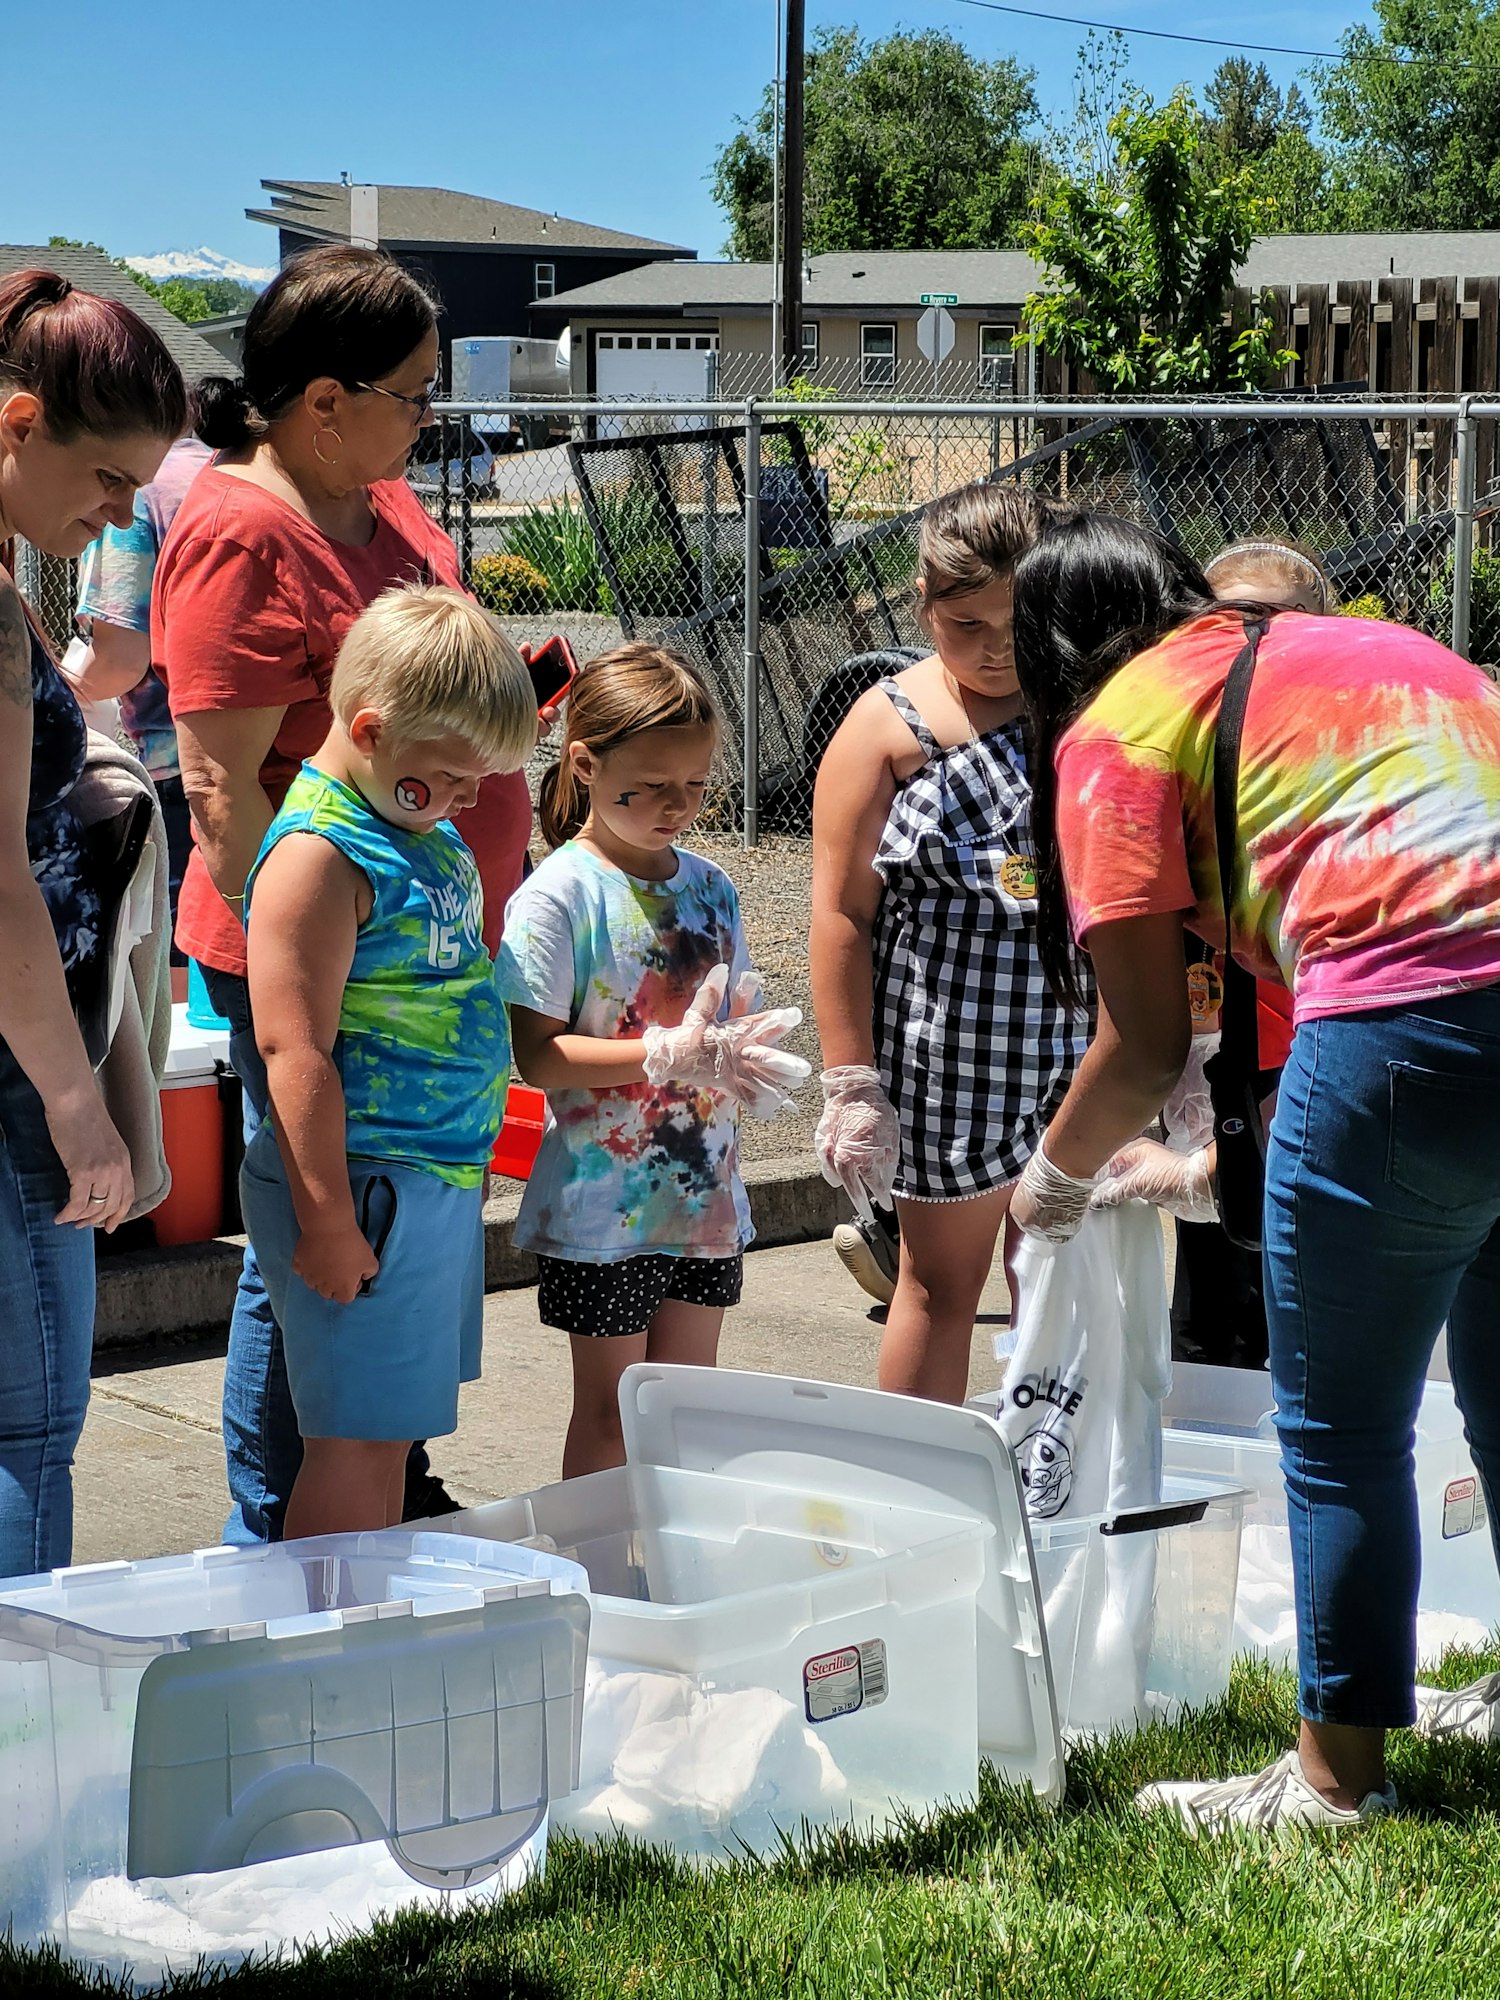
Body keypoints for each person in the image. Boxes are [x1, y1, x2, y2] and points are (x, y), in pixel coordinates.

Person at [1008, 509, 1500, 1829]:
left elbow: (1143, 1039)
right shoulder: (1370, 647)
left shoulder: (1118, 728)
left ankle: (1335, 1783)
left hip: (1404, 1026)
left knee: (1342, 1434)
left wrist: (1049, 1185)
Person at [153, 244, 533, 1542]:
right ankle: (285, 1530)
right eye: (414, 393)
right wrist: (315, 941)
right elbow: (223, 792)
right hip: (327, 974)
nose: (432, 418)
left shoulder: (381, 501)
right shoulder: (244, 530)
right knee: (310, 1259)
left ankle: (370, 1489)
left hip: (406, 976)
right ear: (325, 400)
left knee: (349, 1295)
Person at [240, 587, 536, 1535]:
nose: (468, 800)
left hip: (423, 1181)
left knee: (391, 1435)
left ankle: (361, 1635)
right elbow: (295, 1051)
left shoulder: (414, 827)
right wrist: (327, 1222)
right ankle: (328, 1643)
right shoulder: (321, 858)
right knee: (355, 1444)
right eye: (449, 777)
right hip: (365, 1187)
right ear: (370, 731)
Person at [497, 644, 810, 1477]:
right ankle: (600, 1580)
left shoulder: (710, 885)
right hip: (603, 1209)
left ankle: (667, 1574)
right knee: (611, 1417)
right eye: (655, 785)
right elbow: (538, 1055)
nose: (680, 805)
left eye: (698, 785)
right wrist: (663, 1053)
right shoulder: (558, 893)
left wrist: (739, 1054)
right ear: (586, 764)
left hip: (702, 1197)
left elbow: (724, 1009)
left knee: (683, 1413)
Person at [809, 483, 1089, 1404]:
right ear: (924, 599)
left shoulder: (1084, 698)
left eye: (1019, 619)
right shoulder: (885, 726)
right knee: (941, 1286)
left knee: (1060, 1283)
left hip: (1082, 1038)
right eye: (966, 622)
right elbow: (841, 915)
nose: (996, 646)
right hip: (948, 1056)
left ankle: (1047, 1481)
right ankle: (913, 1499)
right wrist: (852, 1083)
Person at [0, 269, 186, 1574]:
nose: (124, 511)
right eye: (112, 476)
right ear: (18, 425)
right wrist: (78, 1108)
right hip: (13, 1079)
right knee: (24, 1440)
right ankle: (28, 1760)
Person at [1134, 538, 1331, 1371]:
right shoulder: (1179, 731)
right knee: (1214, 1259)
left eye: (1275, 621)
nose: (1254, 642)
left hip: (1311, 1021)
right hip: (1214, 1018)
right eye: (1234, 620)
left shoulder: (1334, 731)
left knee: (1299, 1251)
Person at [63, 432, 213, 957]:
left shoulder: (133, 491)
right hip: (269, 758)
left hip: (178, 772)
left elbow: (124, 659)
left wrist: (57, 689)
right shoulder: (222, 471)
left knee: (178, 969)